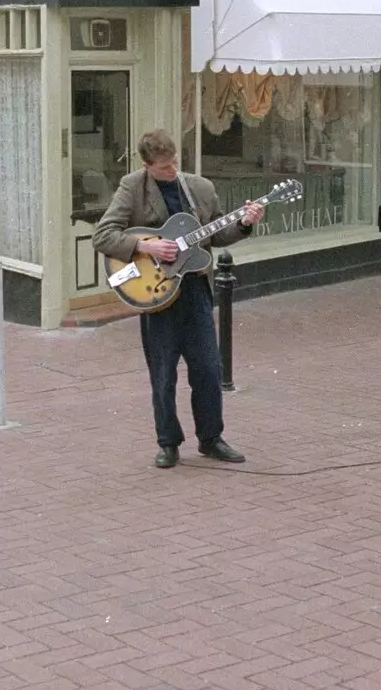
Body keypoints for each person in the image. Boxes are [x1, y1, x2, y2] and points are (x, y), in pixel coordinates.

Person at [92, 129, 265, 469]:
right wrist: (145, 246)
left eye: (174, 162)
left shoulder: (199, 187)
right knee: (162, 373)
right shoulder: (132, 187)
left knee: (208, 369)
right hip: (156, 294)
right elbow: (103, 234)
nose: (172, 170)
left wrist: (244, 223)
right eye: (164, 167)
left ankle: (211, 438)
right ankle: (168, 443)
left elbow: (218, 234)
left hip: (195, 291)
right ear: (147, 165)